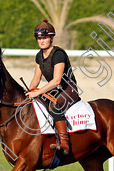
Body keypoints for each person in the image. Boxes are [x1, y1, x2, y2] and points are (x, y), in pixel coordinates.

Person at [25, 19, 80, 155]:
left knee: (56, 107)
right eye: (39, 38)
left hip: (68, 89)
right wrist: (30, 91)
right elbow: (36, 78)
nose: (41, 41)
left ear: (51, 38)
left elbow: (56, 81)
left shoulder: (58, 54)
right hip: (55, 90)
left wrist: (37, 93)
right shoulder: (39, 56)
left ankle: (64, 144)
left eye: (44, 38)